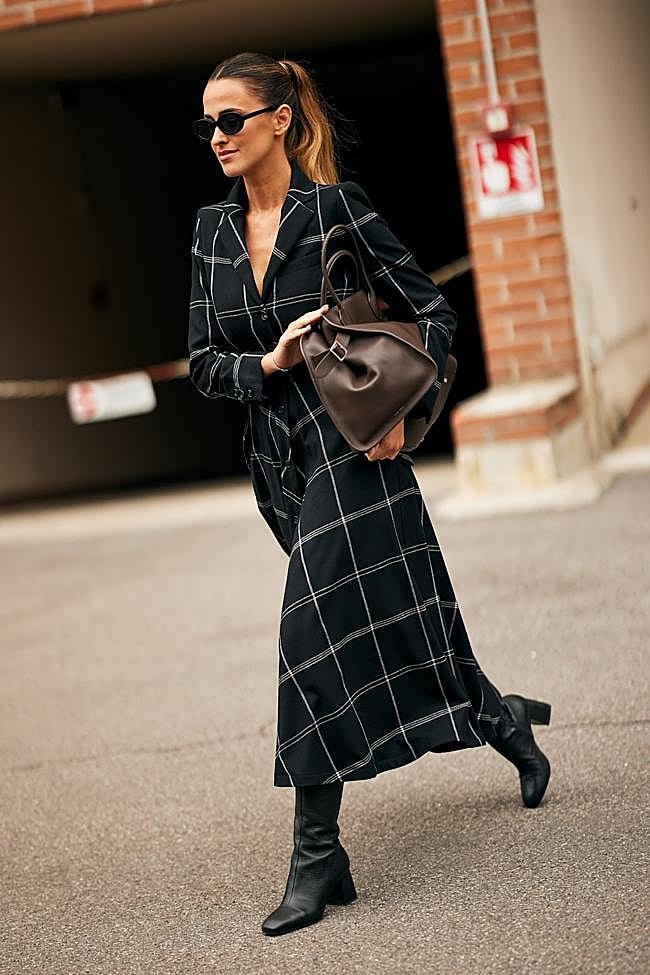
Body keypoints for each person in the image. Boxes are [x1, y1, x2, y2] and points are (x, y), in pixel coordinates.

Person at [188, 51, 552, 938]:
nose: (217, 137)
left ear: (278, 120)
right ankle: (501, 717)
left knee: (308, 632)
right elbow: (203, 362)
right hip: (280, 464)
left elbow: (432, 310)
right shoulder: (208, 231)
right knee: (389, 614)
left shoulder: (335, 208)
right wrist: (265, 362)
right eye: (206, 123)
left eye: (231, 118)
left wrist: (410, 413)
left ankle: (319, 854)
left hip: (355, 448)